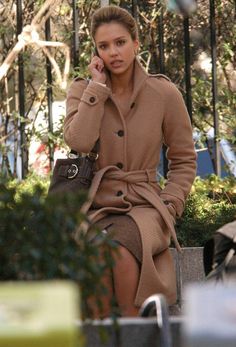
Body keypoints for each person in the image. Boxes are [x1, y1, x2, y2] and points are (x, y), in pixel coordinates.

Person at [64, 5, 197, 318]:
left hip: (145, 208)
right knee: (96, 257)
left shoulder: (163, 92)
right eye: (104, 46)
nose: (113, 52)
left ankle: (131, 335)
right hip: (96, 207)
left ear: (136, 43)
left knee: (120, 253)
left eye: (120, 42)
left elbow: (183, 158)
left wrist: (170, 204)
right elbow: (79, 141)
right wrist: (97, 88)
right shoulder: (84, 90)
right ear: (96, 51)